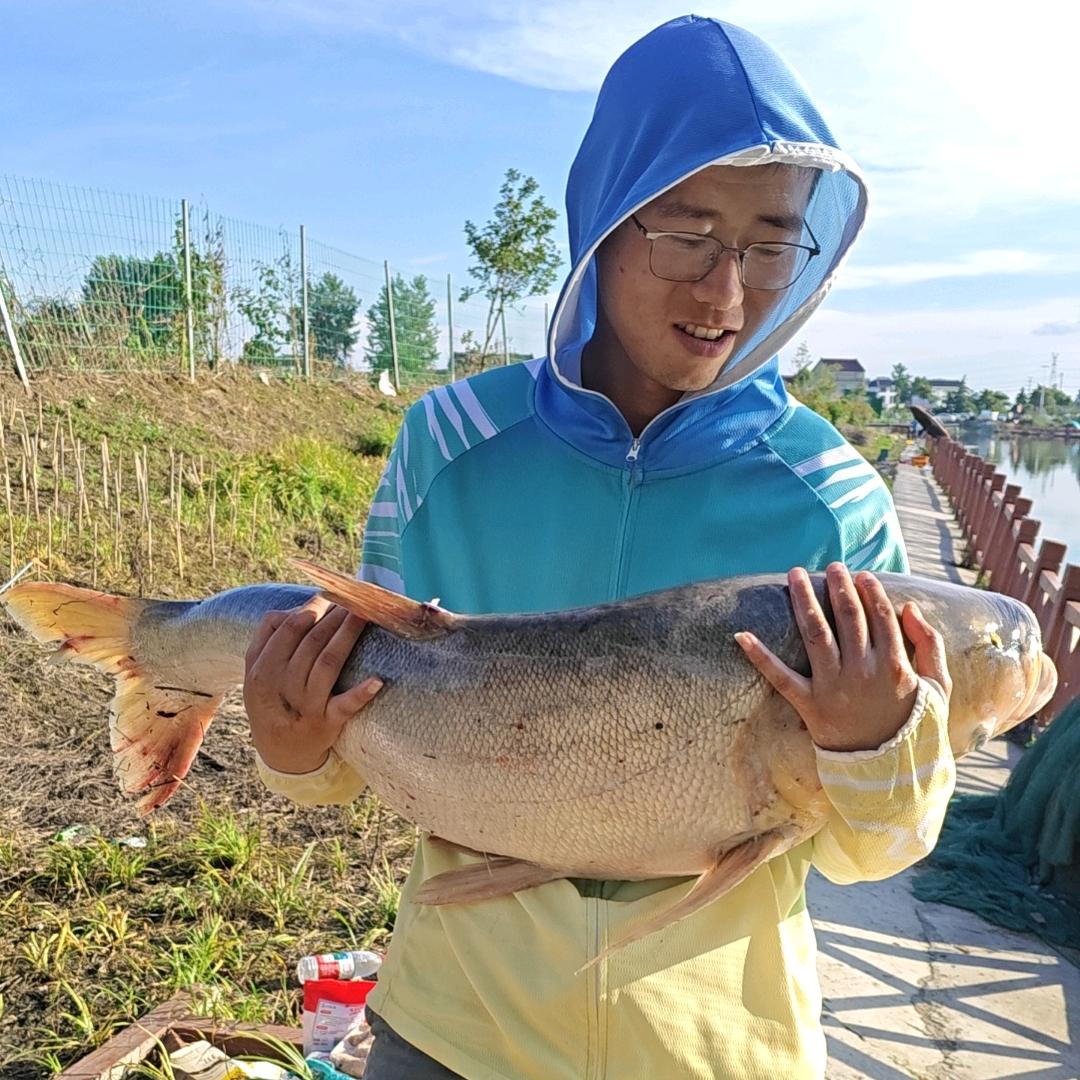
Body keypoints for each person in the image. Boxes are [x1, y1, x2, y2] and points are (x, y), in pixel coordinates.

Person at [243, 16, 956, 1078]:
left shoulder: (835, 497)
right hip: (452, 1029)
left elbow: (876, 848)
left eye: (770, 243)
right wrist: (292, 750)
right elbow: (359, 743)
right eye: (684, 231)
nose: (726, 293)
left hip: (721, 1050)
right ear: (605, 222)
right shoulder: (448, 446)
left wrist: (873, 743)